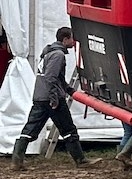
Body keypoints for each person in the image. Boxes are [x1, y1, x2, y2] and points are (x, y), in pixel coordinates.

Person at [12, 26, 84, 167]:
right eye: (72, 39)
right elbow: (51, 77)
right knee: (68, 129)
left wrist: (69, 90)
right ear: (65, 39)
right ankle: (80, 160)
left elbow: (53, 77)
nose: (74, 42)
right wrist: (54, 98)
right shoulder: (58, 55)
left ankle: (17, 160)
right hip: (52, 98)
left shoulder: (48, 52)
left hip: (39, 96)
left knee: (30, 129)